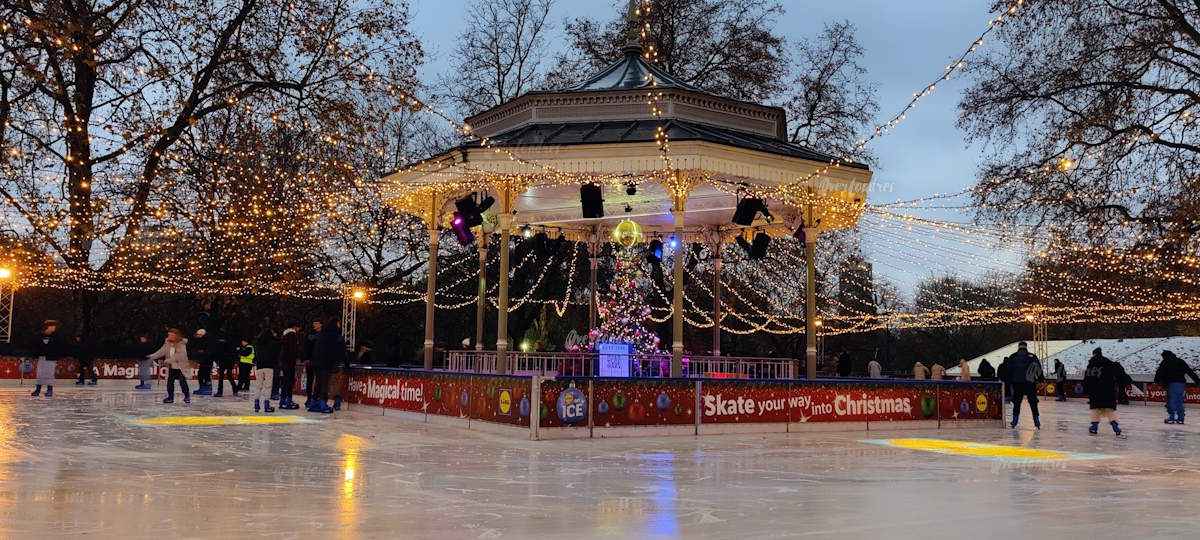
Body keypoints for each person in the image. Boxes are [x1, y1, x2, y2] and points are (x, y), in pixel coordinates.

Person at [1084, 348, 1123, 437]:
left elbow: (1087, 379)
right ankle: (1115, 427)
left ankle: (1094, 427)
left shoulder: (1090, 365)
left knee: (1096, 410)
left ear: (1094, 354)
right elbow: (1118, 372)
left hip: (1095, 392)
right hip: (1108, 391)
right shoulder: (1108, 363)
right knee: (1109, 410)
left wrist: (1087, 390)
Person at [308, 319, 344, 414]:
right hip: (325, 363)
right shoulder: (331, 336)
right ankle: (323, 404)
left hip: (317, 362)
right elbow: (333, 351)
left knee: (318, 383)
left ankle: (313, 403)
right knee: (324, 383)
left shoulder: (320, 335)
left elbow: (312, 342)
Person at [1154, 350, 1200, 424]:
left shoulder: (1165, 362)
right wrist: (1197, 381)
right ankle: (1181, 418)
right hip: (1181, 383)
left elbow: (1159, 372)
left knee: (1171, 401)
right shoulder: (1180, 361)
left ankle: (1171, 418)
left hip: (1171, 383)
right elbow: (1189, 371)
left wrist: (1157, 381)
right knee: (1179, 401)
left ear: (1164, 356)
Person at [147, 328, 191, 404]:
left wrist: (167, 361)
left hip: (181, 367)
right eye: (169, 335)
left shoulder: (181, 344)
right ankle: (170, 397)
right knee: (170, 383)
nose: (170, 336)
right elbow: (161, 352)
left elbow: (179, 356)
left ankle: (187, 396)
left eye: (172, 335)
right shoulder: (167, 343)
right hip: (172, 367)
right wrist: (151, 357)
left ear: (176, 336)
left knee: (182, 382)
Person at [1007, 342, 1044, 430]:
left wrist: (1009, 381)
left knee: (1017, 402)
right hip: (1030, 383)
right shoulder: (1032, 357)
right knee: (1033, 402)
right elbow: (1038, 368)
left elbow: (1008, 370)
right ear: (1026, 347)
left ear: (1018, 347)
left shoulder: (1013, 357)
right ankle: (1037, 421)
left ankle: (1014, 421)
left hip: (1017, 383)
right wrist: (1041, 380)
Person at [31, 320, 64, 398]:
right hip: (41, 357)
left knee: (49, 373)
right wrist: (36, 354)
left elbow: (59, 346)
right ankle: (38, 389)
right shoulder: (39, 335)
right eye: (53, 326)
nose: (54, 328)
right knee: (40, 373)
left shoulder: (56, 336)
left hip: (51, 357)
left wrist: (56, 354)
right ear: (48, 327)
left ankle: (49, 389)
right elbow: (35, 346)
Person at [252, 328, 278, 413]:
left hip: (259, 366)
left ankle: (256, 404)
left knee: (258, 386)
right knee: (268, 386)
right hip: (269, 366)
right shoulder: (273, 343)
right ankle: (267, 405)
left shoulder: (258, 343)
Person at [277, 323, 302, 409]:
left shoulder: (284, 335)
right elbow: (293, 349)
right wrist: (296, 357)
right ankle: (288, 401)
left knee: (285, 380)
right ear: (295, 327)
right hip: (289, 361)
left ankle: (282, 400)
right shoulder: (292, 335)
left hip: (284, 361)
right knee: (289, 380)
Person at [214, 333, 239, 397]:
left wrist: (217, 361)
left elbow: (218, 353)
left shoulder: (220, 345)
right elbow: (234, 353)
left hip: (223, 362)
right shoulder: (231, 344)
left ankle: (220, 392)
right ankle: (235, 390)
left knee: (221, 377)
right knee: (229, 376)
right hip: (230, 362)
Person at [193, 329, 213, 395]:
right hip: (204, 360)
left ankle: (207, 389)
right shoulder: (203, 340)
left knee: (204, 374)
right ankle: (203, 388)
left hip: (207, 361)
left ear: (202, 334)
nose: (197, 336)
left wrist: (202, 352)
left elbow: (208, 351)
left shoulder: (207, 340)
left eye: (198, 334)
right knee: (202, 374)